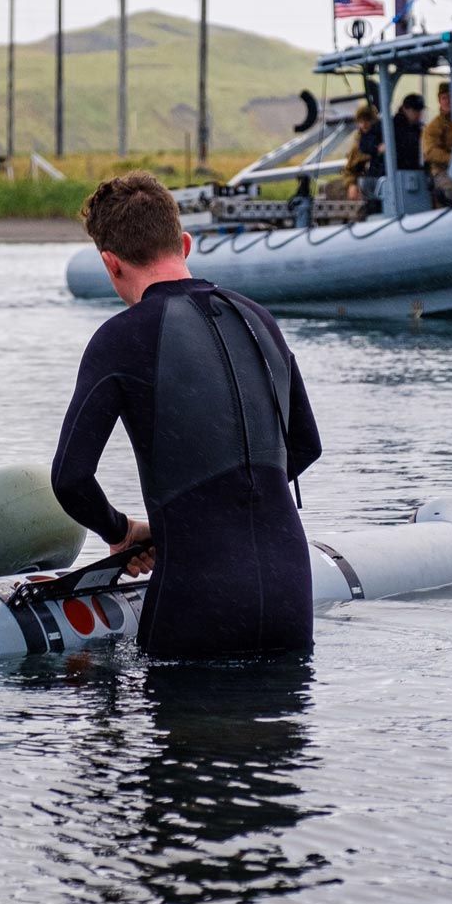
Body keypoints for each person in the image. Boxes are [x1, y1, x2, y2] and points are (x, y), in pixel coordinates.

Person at [51, 171, 323, 660]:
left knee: (188, 731)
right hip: (290, 590)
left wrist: (123, 531)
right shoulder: (257, 318)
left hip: (199, 597)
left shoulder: (121, 337)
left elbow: (71, 480)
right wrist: (225, 504)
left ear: (111, 265)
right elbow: (306, 445)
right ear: (185, 243)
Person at [422, 82, 452, 207]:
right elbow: (430, 152)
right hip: (443, 171)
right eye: (444, 98)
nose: (448, 101)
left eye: (451, 97)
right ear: (439, 100)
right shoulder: (434, 127)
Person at [391, 92, 425, 172]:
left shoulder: (419, 128)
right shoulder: (393, 126)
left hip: (413, 171)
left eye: (420, 111)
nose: (418, 114)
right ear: (404, 109)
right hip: (398, 171)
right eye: (414, 110)